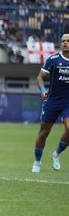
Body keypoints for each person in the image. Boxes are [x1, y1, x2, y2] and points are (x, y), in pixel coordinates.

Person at [31, 33, 69, 173]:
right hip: (52, 102)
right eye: (63, 41)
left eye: (68, 41)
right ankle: (37, 162)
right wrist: (42, 90)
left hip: (68, 103)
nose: (65, 43)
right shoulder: (53, 59)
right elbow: (40, 77)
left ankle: (56, 154)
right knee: (43, 133)